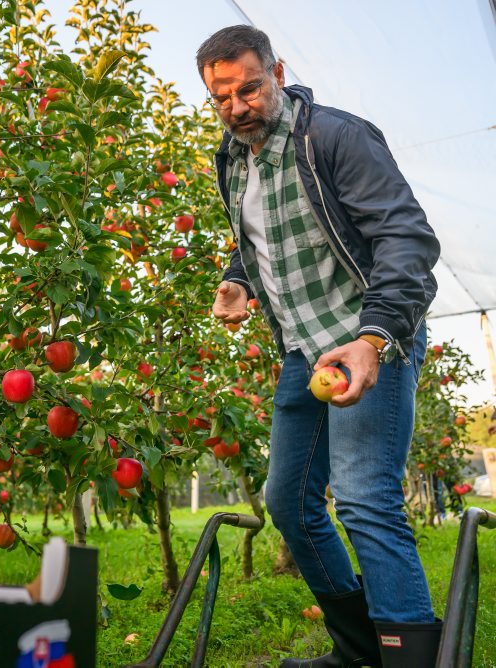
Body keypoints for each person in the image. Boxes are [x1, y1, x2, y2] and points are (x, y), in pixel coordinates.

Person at [198, 25, 442, 668]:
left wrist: (375, 336)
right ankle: (360, 649)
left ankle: (409, 655)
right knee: (289, 502)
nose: (237, 107)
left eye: (248, 89)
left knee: (365, 498)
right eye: (221, 98)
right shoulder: (232, 157)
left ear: (276, 73)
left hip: (368, 339)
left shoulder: (333, 136)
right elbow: (259, 237)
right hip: (306, 352)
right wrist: (236, 279)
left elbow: (405, 238)